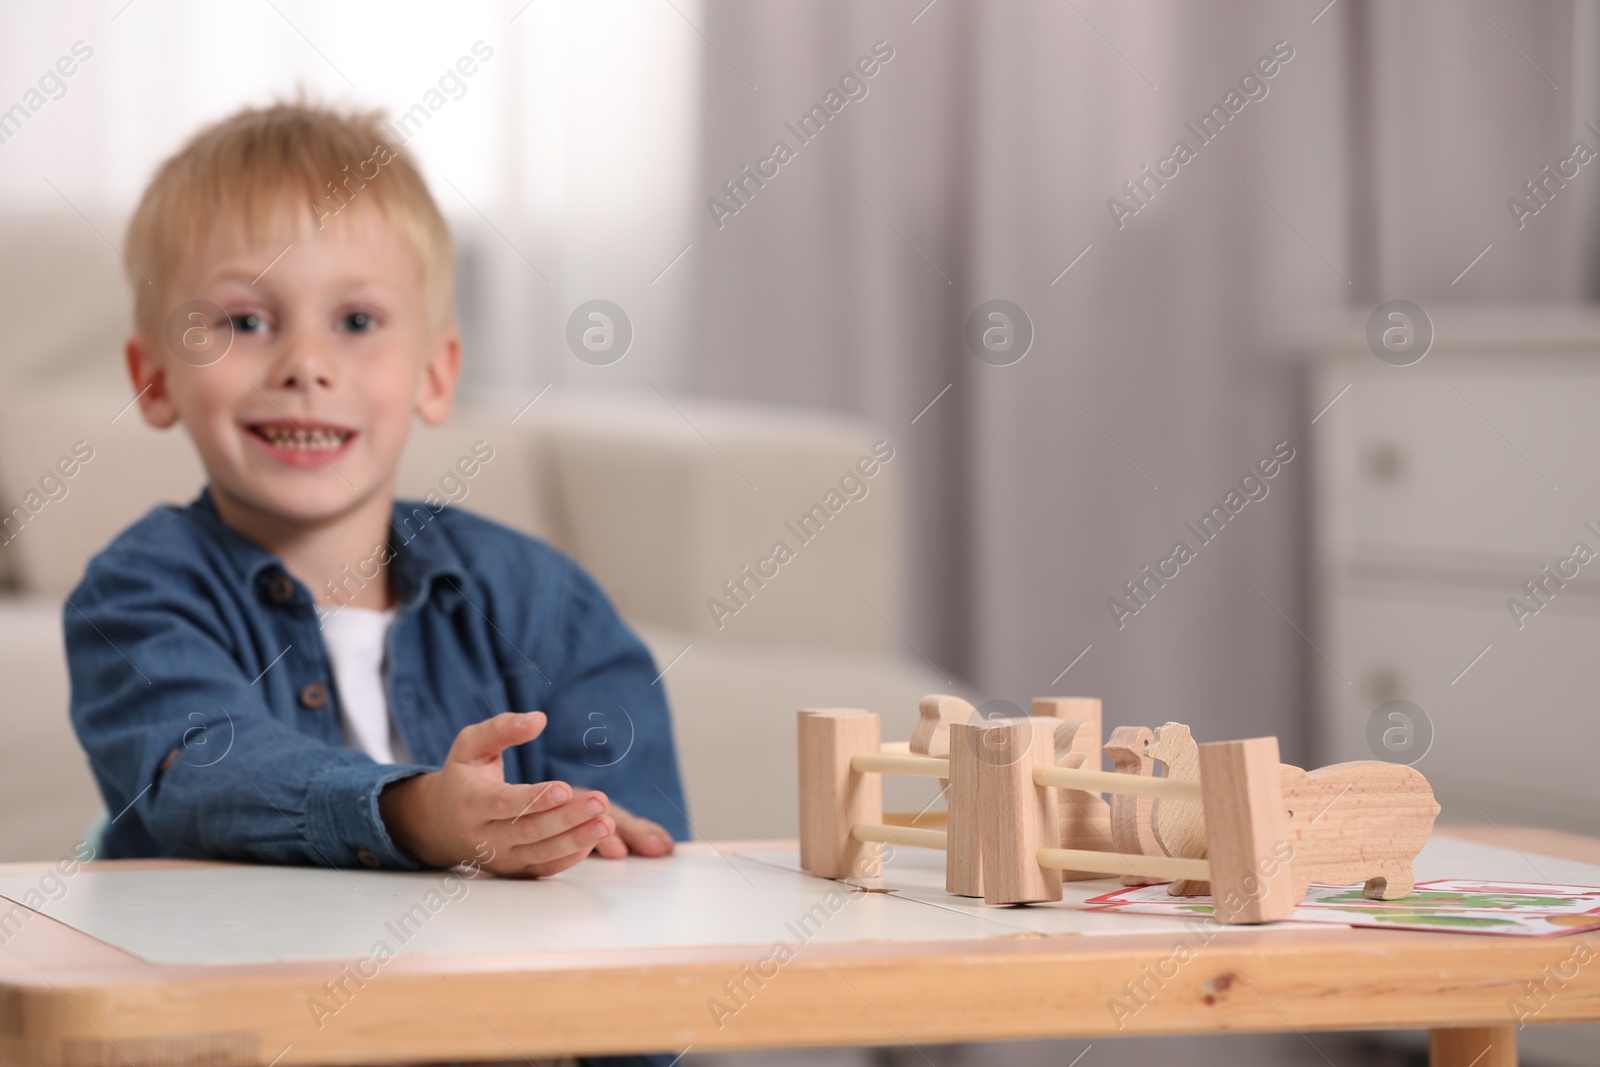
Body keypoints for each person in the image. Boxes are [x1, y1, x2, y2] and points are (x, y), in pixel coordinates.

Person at [66, 101, 688, 885]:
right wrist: (419, 812)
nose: (306, 363)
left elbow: (645, 851)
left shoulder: (549, 604)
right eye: (247, 321)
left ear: (434, 375)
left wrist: (603, 840)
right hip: (237, 992)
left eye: (356, 319)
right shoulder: (135, 596)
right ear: (154, 380)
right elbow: (201, 775)